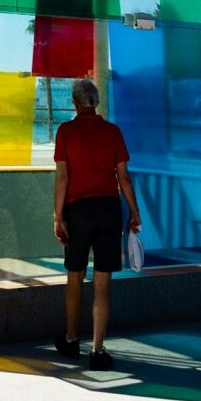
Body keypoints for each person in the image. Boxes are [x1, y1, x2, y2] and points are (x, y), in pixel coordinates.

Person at [52, 79, 140, 371]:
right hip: (108, 211)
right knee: (103, 282)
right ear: (97, 103)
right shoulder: (113, 132)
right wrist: (134, 211)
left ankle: (71, 339)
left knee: (74, 276)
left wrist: (58, 216)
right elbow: (123, 178)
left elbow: (63, 178)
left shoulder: (66, 131)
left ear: (75, 104)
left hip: (78, 211)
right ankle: (98, 350)